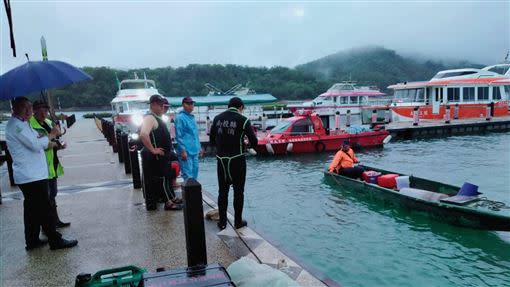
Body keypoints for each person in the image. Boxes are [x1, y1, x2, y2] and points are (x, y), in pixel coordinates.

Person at [5, 97, 77, 251]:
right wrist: (51, 134)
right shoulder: (16, 126)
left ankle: (31, 240)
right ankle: (55, 241)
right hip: (31, 175)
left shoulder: (23, 124)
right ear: (21, 109)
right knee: (45, 209)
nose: (31, 110)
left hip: (34, 173)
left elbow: (38, 139)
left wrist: (52, 140)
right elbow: (35, 144)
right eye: (29, 107)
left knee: (32, 209)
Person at [209, 97, 258, 230]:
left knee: (222, 192)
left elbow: (212, 140)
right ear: (240, 107)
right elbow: (254, 141)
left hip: (221, 160)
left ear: (228, 105)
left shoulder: (217, 118)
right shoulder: (243, 120)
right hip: (237, 160)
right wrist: (246, 144)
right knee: (238, 192)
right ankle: (237, 222)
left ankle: (222, 222)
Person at [29, 101, 70, 228]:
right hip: (42, 166)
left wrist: (59, 144)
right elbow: (42, 144)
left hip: (52, 164)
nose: (43, 113)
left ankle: (55, 220)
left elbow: (53, 140)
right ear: (33, 111)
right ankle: (48, 225)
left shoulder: (47, 122)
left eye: (45, 110)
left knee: (53, 194)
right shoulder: (31, 125)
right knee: (46, 198)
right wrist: (52, 135)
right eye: (40, 110)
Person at [139, 95, 182, 211]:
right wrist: (153, 150)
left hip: (164, 156)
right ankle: (168, 202)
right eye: (160, 104)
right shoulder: (150, 118)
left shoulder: (157, 117)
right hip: (158, 156)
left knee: (166, 177)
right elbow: (143, 134)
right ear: (153, 105)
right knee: (162, 179)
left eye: (163, 104)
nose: (162, 107)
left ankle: (171, 198)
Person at [174, 96, 202, 181]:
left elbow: (195, 135)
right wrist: (183, 151)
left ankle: (194, 192)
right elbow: (179, 135)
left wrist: (199, 148)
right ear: (183, 105)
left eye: (192, 104)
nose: (191, 105)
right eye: (188, 104)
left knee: (195, 173)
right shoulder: (180, 118)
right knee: (187, 174)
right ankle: (189, 193)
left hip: (194, 150)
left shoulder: (192, 117)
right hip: (186, 151)